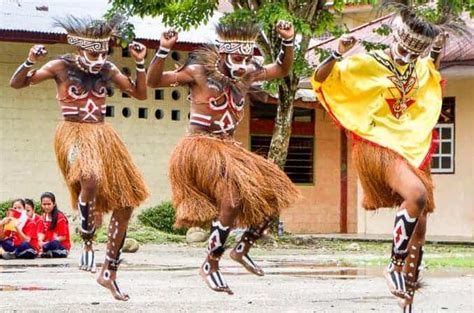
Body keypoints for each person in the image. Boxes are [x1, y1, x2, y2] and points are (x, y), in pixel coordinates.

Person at [311, 3, 465, 311]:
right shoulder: (369, 63)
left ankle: (407, 294)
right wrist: (337, 54)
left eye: (413, 53)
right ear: (393, 39)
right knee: (417, 194)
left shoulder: (419, 68)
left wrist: (435, 49)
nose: (406, 56)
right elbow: (322, 78)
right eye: (403, 50)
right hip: (377, 143)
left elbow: (431, 73)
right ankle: (394, 264)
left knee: (420, 226)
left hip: (409, 147)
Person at [147, 20, 299, 294]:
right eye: (237, 59)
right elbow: (154, 81)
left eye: (246, 59)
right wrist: (162, 50)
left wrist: (287, 41)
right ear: (224, 54)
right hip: (200, 147)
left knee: (274, 193)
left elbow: (282, 68)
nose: (242, 65)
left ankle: (242, 249)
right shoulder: (198, 72)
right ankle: (210, 263)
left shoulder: (249, 73)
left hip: (229, 148)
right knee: (231, 200)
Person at [9, 15, 149, 301]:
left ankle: (108, 271)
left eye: (103, 52)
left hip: (103, 134)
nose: (99, 58)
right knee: (90, 177)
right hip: (73, 132)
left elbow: (140, 94)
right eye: (93, 53)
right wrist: (29, 60)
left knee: (126, 203)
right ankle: (86, 239)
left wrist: (139, 63)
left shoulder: (107, 69)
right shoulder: (62, 66)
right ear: (79, 49)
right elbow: (17, 84)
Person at [37, 192, 71, 258]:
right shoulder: (42, 218)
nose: (46, 206)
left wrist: (47, 243)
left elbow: (63, 237)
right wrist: (40, 242)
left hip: (59, 245)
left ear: (54, 204)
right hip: (46, 245)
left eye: (49, 204)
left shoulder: (60, 217)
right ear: (41, 204)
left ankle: (46, 252)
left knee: (54, 243)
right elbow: (41, 234)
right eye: (44, 204)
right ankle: (47, 252)